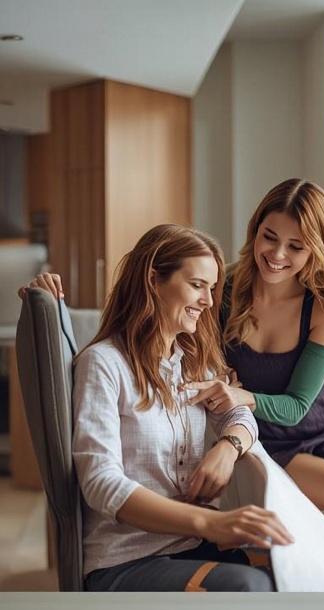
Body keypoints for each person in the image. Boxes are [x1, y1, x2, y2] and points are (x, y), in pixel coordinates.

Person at [24, 225, 293, 591]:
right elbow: (101, 484)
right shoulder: (104, 364)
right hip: (126, 560)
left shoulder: (192, 360)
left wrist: (228, 448)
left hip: (189, 545)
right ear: (154, 280)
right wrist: (210, 523)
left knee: (290, 571)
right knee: (249, 586)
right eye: (198, 285)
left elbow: (238, 412)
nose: (210, 302)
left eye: (212, 289)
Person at [186, 179, 324, 565]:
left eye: (296, 246)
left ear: (317, 249)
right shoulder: (225, 288)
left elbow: (297, 405)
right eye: (269, 237)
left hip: (319, 422)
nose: (277, 254)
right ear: (255, 229)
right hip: (267, 434)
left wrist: (242, 393)